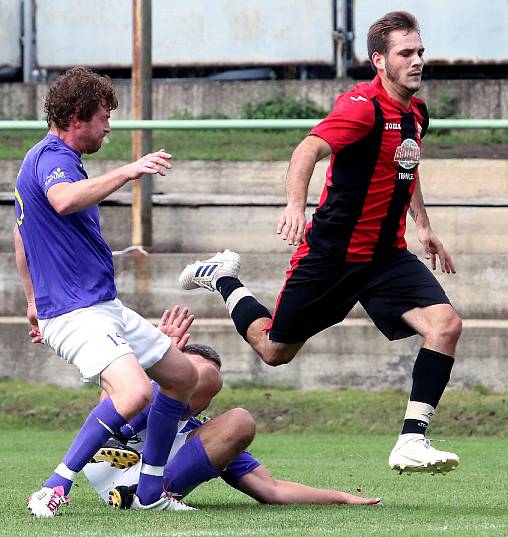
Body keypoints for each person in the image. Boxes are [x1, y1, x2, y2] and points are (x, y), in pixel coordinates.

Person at [178, 11, 462, 475]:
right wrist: (295, 206)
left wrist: (424, 226)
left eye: (420, 52)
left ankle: (412, 440)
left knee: (446, 325)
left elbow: (405, 168)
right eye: (405, 54)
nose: (417, 62)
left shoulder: (417, 114)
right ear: (379, 60)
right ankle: (224, 279)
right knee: (274, 351)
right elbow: (307, 149)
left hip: (386, 257)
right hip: (332, 257)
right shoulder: (361, 107)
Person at [16, 67, 198, 516]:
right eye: (103, 117)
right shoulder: (54, 159)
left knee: (182, 376)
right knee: (134, 393)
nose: (109, 127)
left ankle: (151, 490)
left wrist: (31, 301)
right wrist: (130, 171)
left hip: (100, 306)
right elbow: (62, 200)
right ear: (77, 117)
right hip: (78, 313)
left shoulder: (44, 160)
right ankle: (55, 486)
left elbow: (21, 236)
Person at [84, 309, 381, 508]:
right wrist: (147, 355)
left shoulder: (201, 431)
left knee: (240, 420)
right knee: (134, 389)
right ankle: (120, 439)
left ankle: (149, 495)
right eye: (190, 373)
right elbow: (108, 396)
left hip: (136, 491)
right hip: (104, 453)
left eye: (206, 388)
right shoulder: (144, 381)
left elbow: (272, 490)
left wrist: (341, 498)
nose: (199, 385)